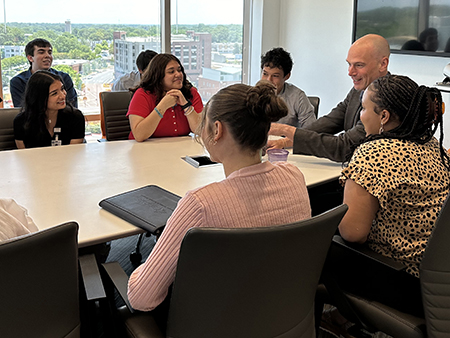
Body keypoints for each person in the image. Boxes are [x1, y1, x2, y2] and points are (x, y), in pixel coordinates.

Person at [127, 81, 312, 332]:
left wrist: (142, 269)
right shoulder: (293, 175)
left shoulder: (200, 204)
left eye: (203, 122)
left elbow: (142, 298)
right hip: (281, 320)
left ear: (217, 129)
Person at [328, 74, 450, 320]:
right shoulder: (433, 145)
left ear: (383, 116)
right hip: (439, 282)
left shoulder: (373, 153)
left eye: (363, 108)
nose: (361, 116)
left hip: (403, 280)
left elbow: (353, 233)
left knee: (320, 248)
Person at [268, 34, 390, 162]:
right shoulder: (358, 91)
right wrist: (287, 141)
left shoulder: (386, 98)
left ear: (383, 64)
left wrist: (286, 130)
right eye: (349, 64)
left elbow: (344, 148)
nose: (350, 72)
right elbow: (330, 121)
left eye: (359, 65)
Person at [127, 53, 203, 141]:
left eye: (179, 70)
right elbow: (139, 135)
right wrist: (162, 106)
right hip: (145, 150)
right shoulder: (142, 94)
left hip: (179, 148)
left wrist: (186, 106)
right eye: (171, 72)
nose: (178, 74)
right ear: (158, 76)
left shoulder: (191, 92)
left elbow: (200, 130)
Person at [13, 70, 85, 149]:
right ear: (39, 97)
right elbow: (23, 155)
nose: (62, 96)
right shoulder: (21, 121)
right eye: (54, 93)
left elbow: (74, 153)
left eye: (62, 89)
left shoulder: (75, 117)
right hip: (34, 161)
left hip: (67, 160)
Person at [10, 38, 78, 108]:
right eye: (41, 52)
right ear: (30, 58)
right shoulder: (19, 82)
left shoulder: (64, 78)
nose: (47, 56)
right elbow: (23, 111)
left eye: (49, 52)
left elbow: (72, 107)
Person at [260, 47, 316, 128]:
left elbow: (311, 130)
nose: (268, 80)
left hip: (287, 139)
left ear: (287, 76)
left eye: (275, 76)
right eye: (265, 74)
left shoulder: (297, 97)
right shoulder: (254, 95)